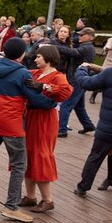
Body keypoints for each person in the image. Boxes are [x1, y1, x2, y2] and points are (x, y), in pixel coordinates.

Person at [0, 38, 56, 222]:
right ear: (22, 55)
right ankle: (11, 206)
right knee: (19, 165)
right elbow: (35, 98)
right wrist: (53, 102)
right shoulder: (22, 73)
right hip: (12, 124)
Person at [20, 45, 73, 212]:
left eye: (39, 57)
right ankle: (30, 196)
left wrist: (44, 87)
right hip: (30, 117)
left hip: (45, 119)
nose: (35, 60)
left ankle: (47, 199)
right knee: (28, 154)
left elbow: (66, 92)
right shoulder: (35, 73)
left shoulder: (57, 76)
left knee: (41, 155)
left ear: (48, 58)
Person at [73, 52, 112, 196]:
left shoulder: (111, 72)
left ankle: (83, 187)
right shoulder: (109, 72)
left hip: (109, 127)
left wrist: (82, 69)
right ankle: (109, 178)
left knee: (95, 156)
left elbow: (86, 83)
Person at [56, 27, 97, 138]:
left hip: (77, 80)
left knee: (65, 105)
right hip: (79, 80)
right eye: (78, 35)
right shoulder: (84, 46)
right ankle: (88, 125)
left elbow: (72, 52)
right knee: (79, 107)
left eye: (82, 35)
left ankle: (62, 129)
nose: (79, 36)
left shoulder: (86, 47)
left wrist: (53, 46)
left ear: (90, 37)